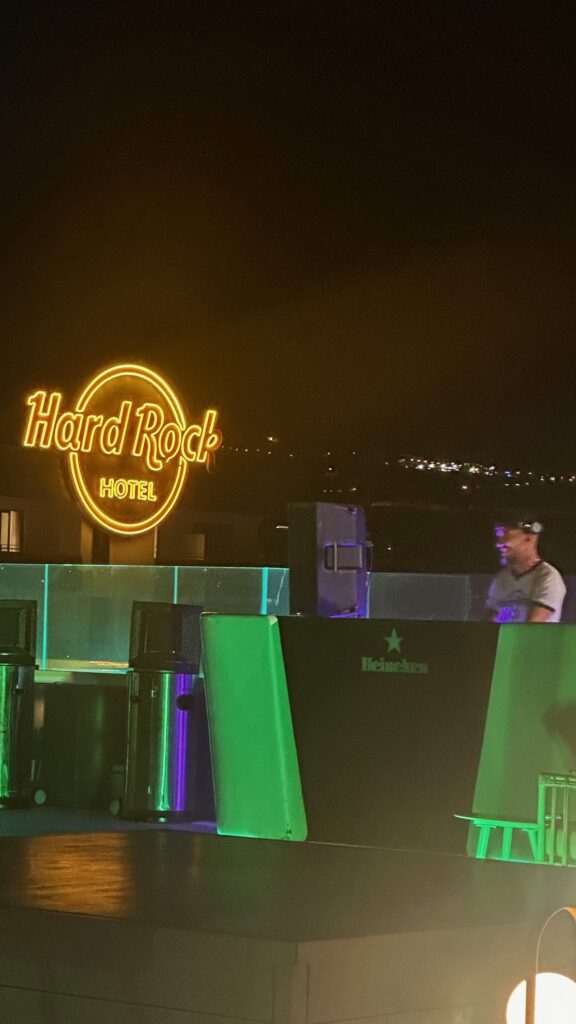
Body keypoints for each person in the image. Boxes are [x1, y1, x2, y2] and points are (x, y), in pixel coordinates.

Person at [486, 514, 566, 623]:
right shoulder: (501, 578)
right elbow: (492, 622)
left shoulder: (547, 576)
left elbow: (532, 626)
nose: (499, 543)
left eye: (505, 534)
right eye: (498, 536)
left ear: (529, 537)